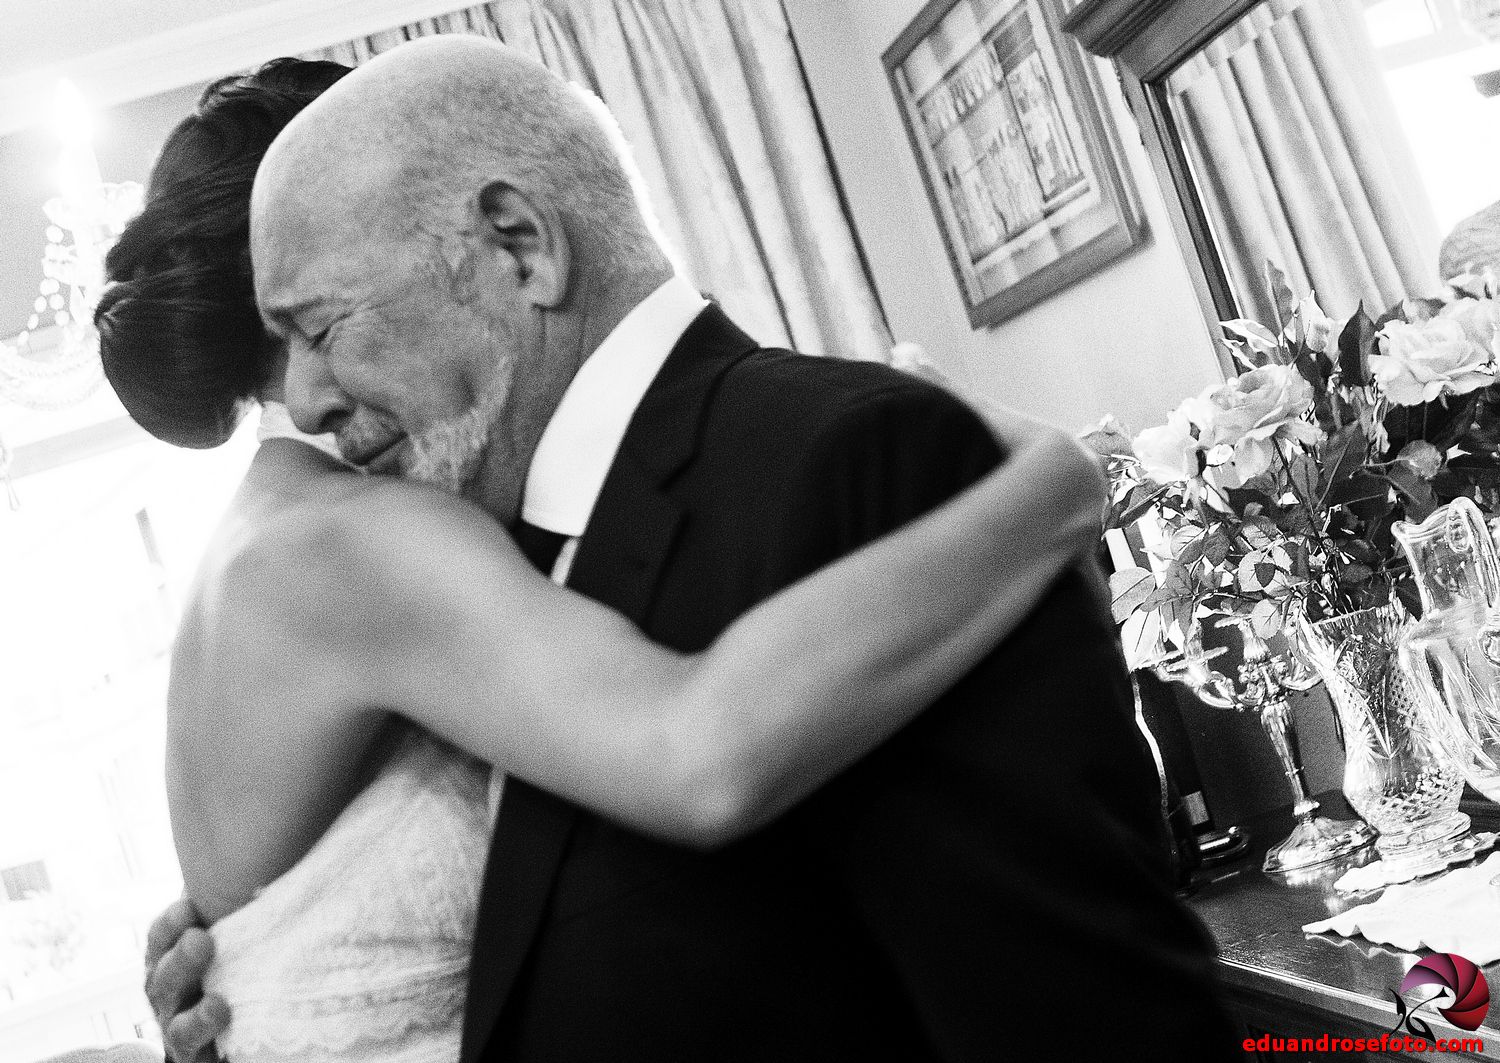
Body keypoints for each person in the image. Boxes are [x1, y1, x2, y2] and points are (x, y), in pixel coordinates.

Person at [101, 58, 1121, 1062]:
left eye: (329, 325)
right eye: (303, 334)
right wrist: (1055, 489)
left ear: (517, 243)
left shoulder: (269, 550)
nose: (319, 387)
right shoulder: (354, 545)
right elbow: (693, 751)